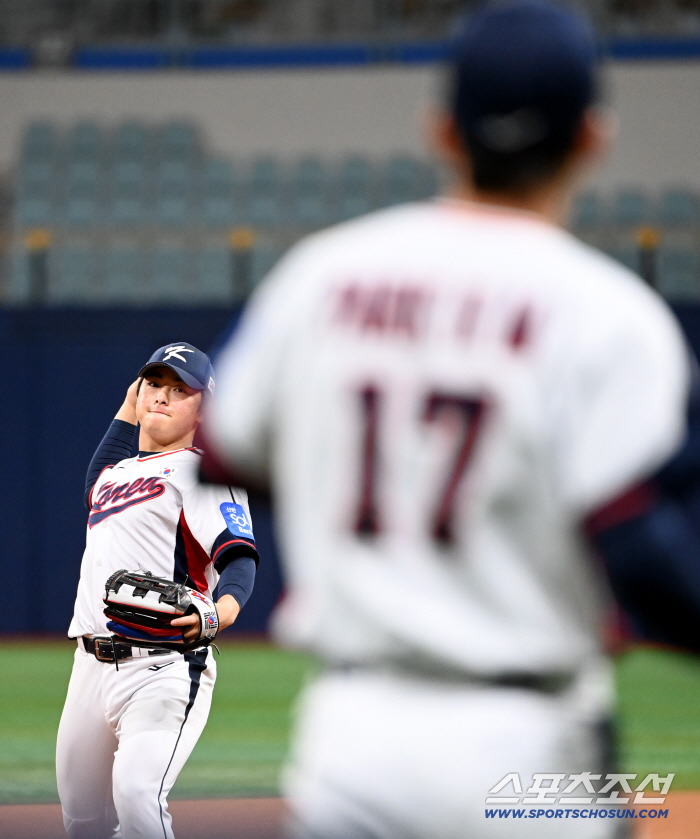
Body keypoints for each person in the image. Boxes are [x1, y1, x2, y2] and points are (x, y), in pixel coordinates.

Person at [201, 3, 698, 837]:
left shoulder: (322, 277)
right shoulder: (611, 314)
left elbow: (227, 451)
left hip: (354, 739)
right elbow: (646, 554)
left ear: (442, 131)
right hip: (528, 749)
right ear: (592, 137)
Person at [56, 342, 259, 839]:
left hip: (162, 666)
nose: (163, 398)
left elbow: (238, 557)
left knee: (138, 793)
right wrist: (132, 403)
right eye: (155, 385)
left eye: (180, 391)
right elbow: (96, 482)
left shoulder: (202, 474)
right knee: (84, 820)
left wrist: (221, 612)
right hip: (89, 667)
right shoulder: (115, 476)